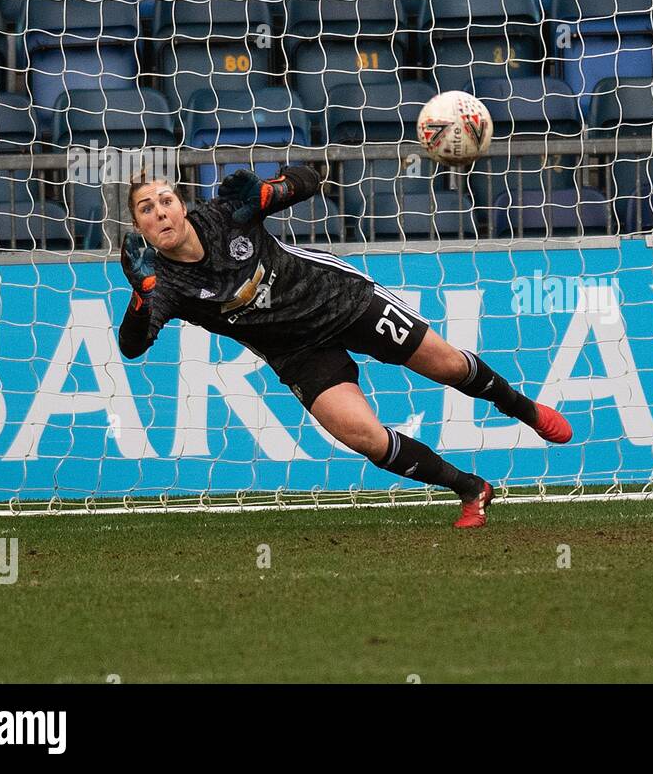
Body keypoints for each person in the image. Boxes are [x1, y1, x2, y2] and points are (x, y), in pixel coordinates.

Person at [117, 166, 573, 528]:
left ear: (181, 205)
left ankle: (524, 410)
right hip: (296, 351)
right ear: (138, 225)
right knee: (365, 438)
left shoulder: (223, 215)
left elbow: (312, 179)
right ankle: (471, 488)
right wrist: (140, 298)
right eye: (145, 208)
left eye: (165, 200)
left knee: (450, 366)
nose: (159, 212)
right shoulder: (163, 282)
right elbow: (133, 346)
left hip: (342, 300)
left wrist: (271, 192)